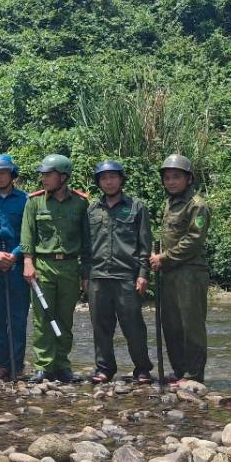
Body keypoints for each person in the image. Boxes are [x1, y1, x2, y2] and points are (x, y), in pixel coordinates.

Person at [20, 154, 90, 383]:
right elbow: (27, 234)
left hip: (70, 266)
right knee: (43, 318)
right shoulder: (34, 202)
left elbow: (87, 241)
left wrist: (86, 273)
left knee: (65, 318)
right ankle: (44, 366)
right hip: (43, 265)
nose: (44, 179)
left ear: (63, 177)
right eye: (42, 175)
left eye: (48, 175)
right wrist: (28, 262)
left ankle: (62, 364)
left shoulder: (80, 203)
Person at [87, 160, 153, 384]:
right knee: (101, 327)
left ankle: (142, 369)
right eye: (104, 178)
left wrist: (143, 273)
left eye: (113, 177)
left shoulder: (136, 207)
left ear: (121, 179)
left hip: (127, 276)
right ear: (99, 182)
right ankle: (104, 369)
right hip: (98, 276)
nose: (109, 182)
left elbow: (145, 244)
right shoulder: (92, 209)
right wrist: (85, 275)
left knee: (134, 326)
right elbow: (86, 245)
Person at [148, 154, 211, 386]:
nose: (171, 182)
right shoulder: (170, 203)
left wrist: (163, 257)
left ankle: (193, 374)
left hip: (190, 272)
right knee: (171, 323)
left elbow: (193, 240)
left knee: (190, 324)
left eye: (176, 177)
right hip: (169, 271)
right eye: (167, 178)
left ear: (189, 179)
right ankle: (179, 370)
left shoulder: (197, 205)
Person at [0, 154, 29, 381]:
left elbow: (30, 233)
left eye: (3, 172)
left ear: (12, 174)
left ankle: (17, 364)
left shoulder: (26, 200)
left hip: (18, 265)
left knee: (18, 317)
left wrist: (15, 254)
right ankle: (2, 364)